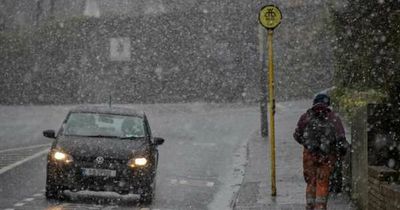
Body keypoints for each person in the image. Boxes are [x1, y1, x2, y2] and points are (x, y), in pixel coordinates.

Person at [293, 94, 348, 210]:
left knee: (311, 182)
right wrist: (339, 153)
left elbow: (296, 135)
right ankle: (320, 206)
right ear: (328, 104)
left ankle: (310, 205)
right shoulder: (333, 117)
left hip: (309, 155)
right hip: (327, 156)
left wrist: (308, 145)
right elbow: (341, 139)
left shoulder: (306, 116)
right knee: (322, 182)